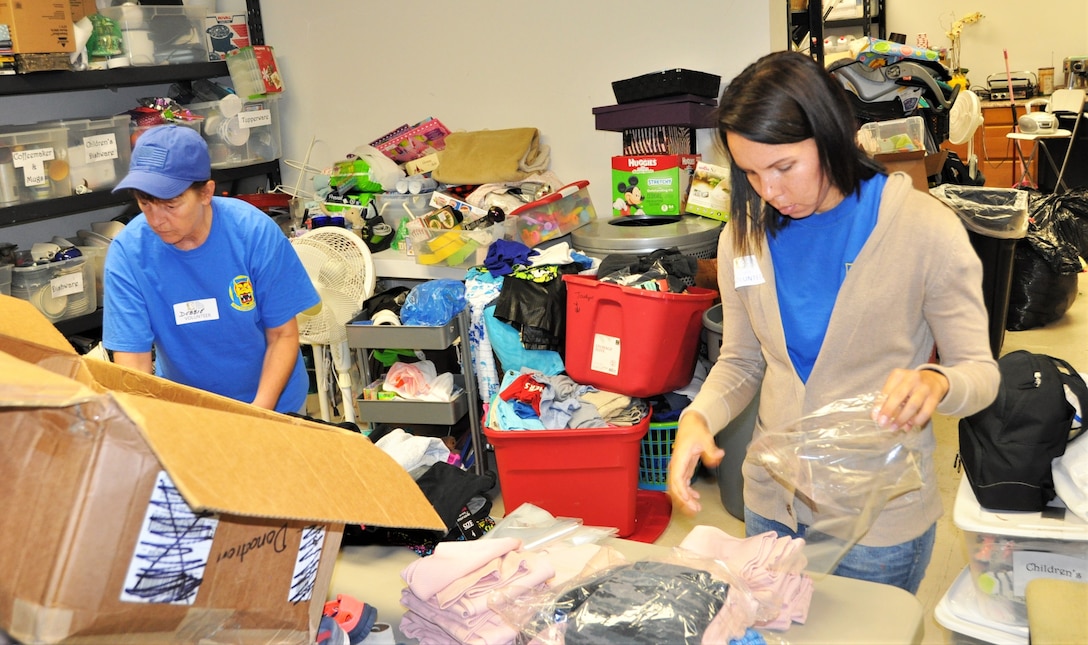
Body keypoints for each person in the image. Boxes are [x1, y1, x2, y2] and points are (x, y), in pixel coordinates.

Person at [666, 51, 1000, 594]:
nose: (769, 192)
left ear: (833, 135)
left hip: (879, 518)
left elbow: (980, 376)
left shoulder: (924, 229)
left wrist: (938, 382)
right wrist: (698, 417)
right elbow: (743, 360)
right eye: (750, 172)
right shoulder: (744, 237)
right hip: (772, 505)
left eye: (783, 168)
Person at [102, 124, 319, 414]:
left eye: (170, 205)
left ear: (206, 193)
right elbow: (133, 362)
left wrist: (259, 413)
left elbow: (282, 335)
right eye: (145, 203)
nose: (156, 219)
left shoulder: (253, 233)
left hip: (273, 402)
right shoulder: (128, 253)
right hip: (188, 409)